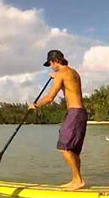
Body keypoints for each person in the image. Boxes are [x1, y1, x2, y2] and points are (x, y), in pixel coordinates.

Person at [28, 50, 88, 190]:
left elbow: (49, 98)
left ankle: (78, 180)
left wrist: (35, 105)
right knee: (73, 150)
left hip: (74, 113)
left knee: (64, 147)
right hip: (81, 113)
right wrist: (56, 76)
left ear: (55, 61)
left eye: (50, 64)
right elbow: (68, 83)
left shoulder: (61, 74)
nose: (50, 67)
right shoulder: (73, 72)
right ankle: (75, 180)